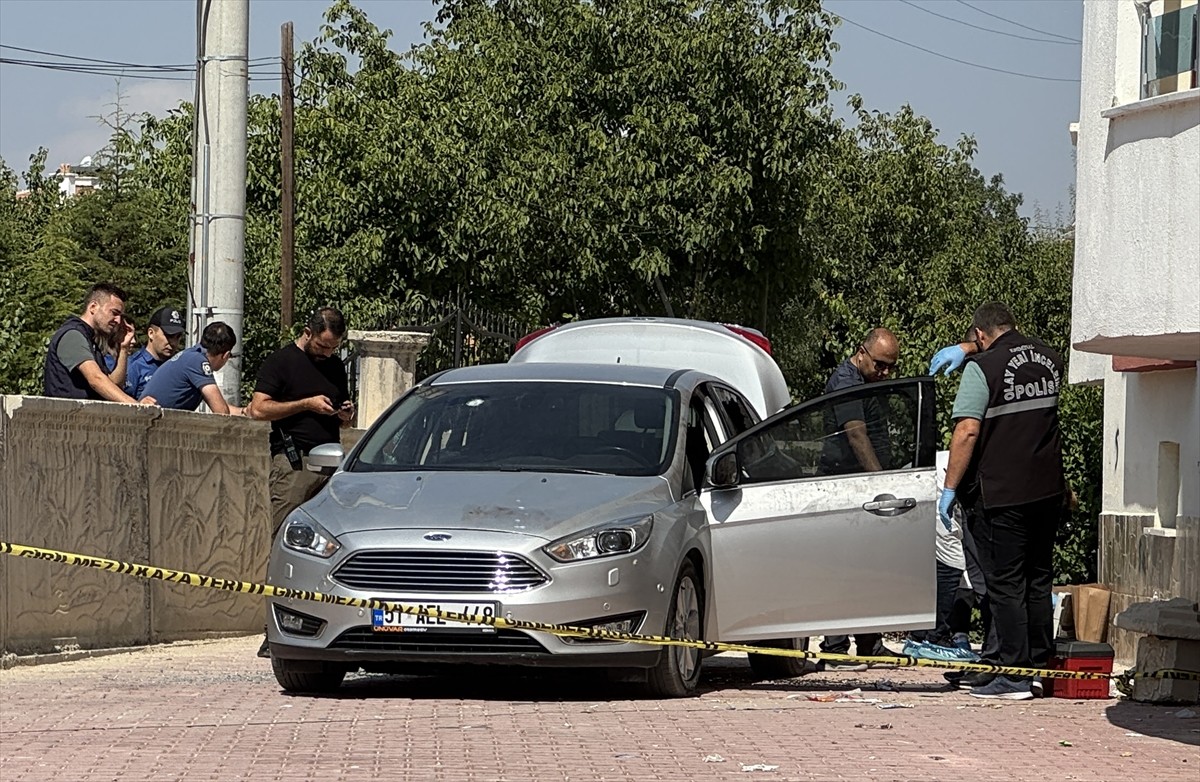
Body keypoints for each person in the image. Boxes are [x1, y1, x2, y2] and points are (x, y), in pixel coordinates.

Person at [940, 302, 1064, 701]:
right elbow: (1010, 350)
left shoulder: (983, 369)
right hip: (1047, 490)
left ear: (978, 334)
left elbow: (967, 432)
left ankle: (1012, 676)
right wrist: (972, 348)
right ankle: (1040, 667)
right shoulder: (1049, 357)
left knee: (1006, 584)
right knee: (1038, 580)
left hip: (1003, 492)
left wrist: (949, 488)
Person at [818, 328, 901, 670]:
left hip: (860, 485)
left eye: (890, 368)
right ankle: (835, 647)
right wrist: (879, 482)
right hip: (847, 486)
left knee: (867, 567)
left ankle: (869, 642)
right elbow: (856, 434)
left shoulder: (865, 381)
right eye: (880, 365)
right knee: (843, 568)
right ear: (861, 352)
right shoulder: (846, 381)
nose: (884, 373)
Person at [248, 307, 354, 533]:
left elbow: (344, 422)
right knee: (285, 532)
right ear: (308, 332)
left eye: (334, 348)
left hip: (331, 464)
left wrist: (345, 414)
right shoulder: (281, 362)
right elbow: (258, 410)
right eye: (322, 346)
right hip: (294, 461)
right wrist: (306, 404)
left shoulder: (335, 366)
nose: (327, 353)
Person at [43, 283, 149, 404]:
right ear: (93, 307)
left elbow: (113, 385)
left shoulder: (90, 339)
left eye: (120, 315)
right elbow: (96, 379)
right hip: (67, 419)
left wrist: (123, 348)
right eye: (114, 313)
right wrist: (137, 406)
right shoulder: (72, 335)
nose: (118, 321)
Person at [139, 321, 244, 415]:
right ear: (226, 355)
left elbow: (220, 406)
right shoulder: (198, 362)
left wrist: (244, 412)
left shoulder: (192, 355)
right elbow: (222, 412)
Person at [125, 306, 185, 399]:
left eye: (178, 337)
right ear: (151, 333)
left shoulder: (178, 366)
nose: (173, 342)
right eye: (169, 336)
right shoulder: (134, 366)